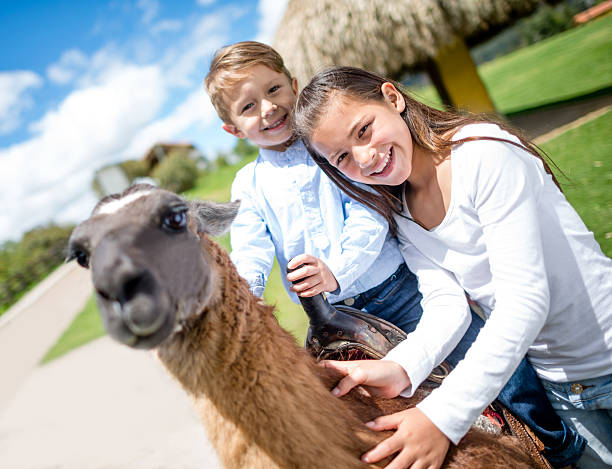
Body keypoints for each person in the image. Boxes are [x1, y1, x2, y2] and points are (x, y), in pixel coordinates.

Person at [294, 66, 612, 469]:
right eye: (341, 157)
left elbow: (525, 301)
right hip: (562, 387)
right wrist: (400, 367)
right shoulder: (404, 211)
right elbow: (448, 304)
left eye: (363, 130)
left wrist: (441, 416)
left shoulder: (483, 154)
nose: (365, 157)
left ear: (393, 98)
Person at [204, 41, 424, 345]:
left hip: (396, 293)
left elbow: (369, 210)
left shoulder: (335, 148)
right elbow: (250, 250)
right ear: (235, 130)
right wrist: (244, 300)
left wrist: (336, 271)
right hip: (328, 318)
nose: (268, 108)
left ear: (294, 86)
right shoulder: (248, 184)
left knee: (463, 360)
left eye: (273, 90)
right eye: (248, 107)